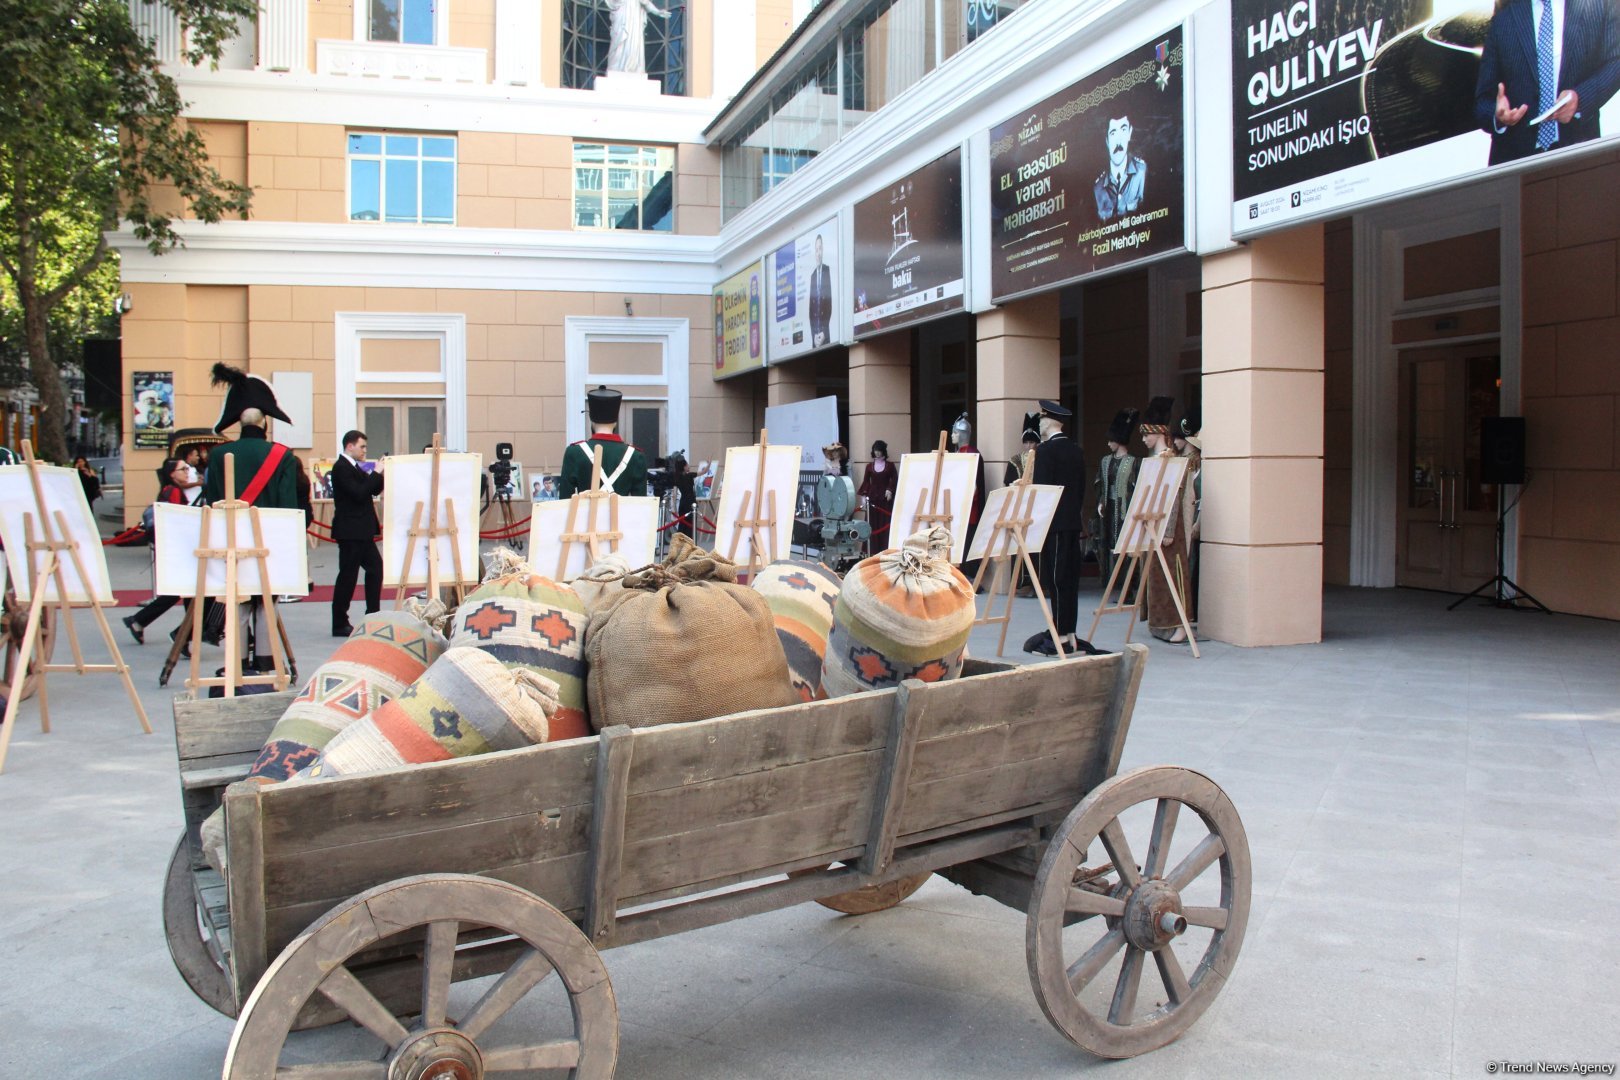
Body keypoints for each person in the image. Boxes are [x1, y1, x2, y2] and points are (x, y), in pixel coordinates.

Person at [204, 363, 301, 670]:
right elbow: (287, 510)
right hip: (268, 544)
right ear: (265, 423)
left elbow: (211, 503)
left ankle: (236, 660)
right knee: (265, 602)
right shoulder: (282, 456)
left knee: (238, 599)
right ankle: (264, 659)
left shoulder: (218, 456)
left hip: (230, 543)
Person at [1473, 0, 1620, 165]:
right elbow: (1483, 102)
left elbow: (1616, 62)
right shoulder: (1503, 20)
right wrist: (1498, 116)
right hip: (1515, 166)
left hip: (1580, 157)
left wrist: (1580, 99)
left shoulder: (1598, 4)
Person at [1024, 400, 1102, 657]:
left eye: (1042, 420)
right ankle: (1069, 630)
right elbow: (1081, 490)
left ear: (1049, 422)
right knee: (1070, 580)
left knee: (1056, 581)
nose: (1041, 424)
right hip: (1071, 523)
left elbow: (1041, 492)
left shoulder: (1046, 452)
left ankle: (1059, 632)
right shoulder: (1076, 450)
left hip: (1053, 524)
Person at [1140, 396, 1195, 645]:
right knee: (1157, 578)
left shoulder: (1170, 461)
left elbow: (1173, 496)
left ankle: (1178, 624)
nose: (1143, 439)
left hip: (1169, 530)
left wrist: (1169, 528)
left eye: (1145, 435)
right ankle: (1159, 623)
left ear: (1156, 432)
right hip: (1155, 526)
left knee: (1173, 576)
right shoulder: (1156, 459)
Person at [121, 459, 191, 644]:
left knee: (180, 592)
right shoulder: (174, 491)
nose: (187, 472)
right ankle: (186, 633)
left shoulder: (169, 491)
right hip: (177, 549)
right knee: (188, 592)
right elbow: (176, 520)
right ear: (172, 474)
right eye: (183, 469)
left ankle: (140, 621)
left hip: (172, 548)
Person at [330, 430, 385, 637]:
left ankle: (373, 613)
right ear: (349, 446)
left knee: (375, 568)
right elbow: (359, 492)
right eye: (362, 447)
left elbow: (370, 489)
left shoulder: (352, 466)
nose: (364, 451)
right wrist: (376, 473)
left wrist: (379, 474)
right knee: (348, 576)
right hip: (350, 531)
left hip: (360, 531)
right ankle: (339, 622)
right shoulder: (341, 468)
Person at [559, 386, 648, 498]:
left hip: (585, 516)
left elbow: (564, 500)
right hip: (620, 516)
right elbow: (640, 506)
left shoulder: (574, 452)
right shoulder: (636, 456)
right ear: (615, 422)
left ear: (592, 419)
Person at [1094, 408, 1140, 587]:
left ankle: (1128, 585)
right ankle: (1112, 582)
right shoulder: (1105, 461)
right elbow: (1100, 483)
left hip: (1125, 509)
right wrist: (1101, 501)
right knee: (1109, 544)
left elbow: (1135, 486)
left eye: (1111, 440)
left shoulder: (1133, 462)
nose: (1108, 444)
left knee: (1125, 544)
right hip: (1108, 508)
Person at [949, 413, 988, 583]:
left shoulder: (972, 453)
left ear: (962, 434)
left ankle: (971, 576)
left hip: (968, 506)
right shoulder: (958, 453)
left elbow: (973, 484)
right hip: (956, 505)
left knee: (968, 541)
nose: (952, 436)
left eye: (955, 433)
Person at [1173, 407, 1203, 626]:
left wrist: (1197, 522)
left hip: (1192, 518)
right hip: (1187, 517)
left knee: (1191, 563)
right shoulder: (1186, 461)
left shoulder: (1195, 463)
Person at [1093, 115, 1147, 222]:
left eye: (1123, 130)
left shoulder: (1142, 172)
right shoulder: (1097, 188)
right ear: (1107, 141)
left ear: (1129, 133)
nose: (1118, 142)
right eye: (1113, 133)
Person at [856, 439, 897, 552]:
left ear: (883, 451)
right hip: (873, 499)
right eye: (875, 450)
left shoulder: (890, 465)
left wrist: (890, 490)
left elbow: (894, 479)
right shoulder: (869, 466)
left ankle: (885, 550)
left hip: (885, 500)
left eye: (879, 450)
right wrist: (864, 496)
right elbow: (866, 482)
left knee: (885, 524)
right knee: (872, 525)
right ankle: (871, 551)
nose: (877, 453)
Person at [808, 233, 832, 347]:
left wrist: (824, 332)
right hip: (815, 339)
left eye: (820, 249)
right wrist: (813, 336)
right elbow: (810, 311)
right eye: (816, 249)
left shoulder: (828, 270)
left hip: (824, 335)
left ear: (823, 251)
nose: (818, 253)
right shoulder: (812, 276)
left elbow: (829, 304)